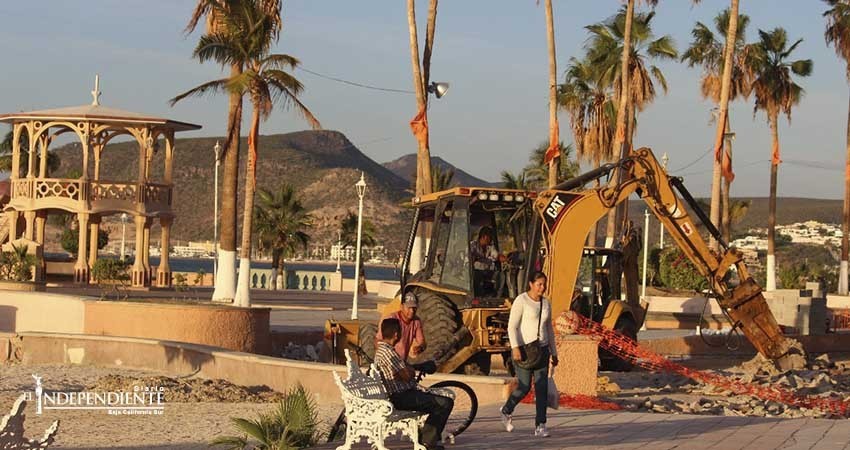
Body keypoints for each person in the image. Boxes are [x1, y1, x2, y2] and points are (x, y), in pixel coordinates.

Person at [374, 317, 454, 450]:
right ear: (396, 334)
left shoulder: (381, 351)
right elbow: (406, 376)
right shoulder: (389, 353)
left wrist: (406, 371)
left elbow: (402, 373)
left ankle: (426, 438)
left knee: (437, 400)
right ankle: (427, 442)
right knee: (445, 403)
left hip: (398, 394)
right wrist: (409, 371)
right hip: (401, 397)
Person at [500, 271, 559, 437]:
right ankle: (506, 410)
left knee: (542, 388)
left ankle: (541, 424)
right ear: (531, 284)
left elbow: (549, 329)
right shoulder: (522, 300)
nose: (542, 287)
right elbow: (512, 326)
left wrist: (554, 352)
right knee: (524, 386)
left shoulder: (546, 304)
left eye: (544, 284)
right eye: (539, 284)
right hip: (525, 351)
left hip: (542, 350)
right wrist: (515, 347)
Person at [375, 294, 426, 361]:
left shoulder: (416, 321)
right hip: (389, 361)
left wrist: (420, 348)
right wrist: (386, 358)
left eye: (414, 308)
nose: (412, 311)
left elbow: (422, 342)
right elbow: (378, 340)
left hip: (401, 362)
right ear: (401, 307)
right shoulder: (391, 319)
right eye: (409, 308)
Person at [470, 226, 500, 296]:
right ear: (485, 236)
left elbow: (495, 255)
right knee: (477, 277)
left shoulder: (490, 247)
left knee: (500, 276)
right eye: (490, 237)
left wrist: (500, 257)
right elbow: (470, 259)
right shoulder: (473, 245)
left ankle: (496, 296)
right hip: (475, 272)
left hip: (488, 272)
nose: (491, 239)